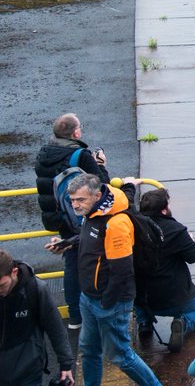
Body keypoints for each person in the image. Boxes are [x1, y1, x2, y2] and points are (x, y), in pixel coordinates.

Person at [69, 174, 161, 386]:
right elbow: (92, 242)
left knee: (121, 356)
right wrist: (68, 243)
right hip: (90, 298)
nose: (75, 205)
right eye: (72, 200)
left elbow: (122, 271)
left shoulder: (116, 223)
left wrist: (107, 303)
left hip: (109, 303)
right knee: (89, 349)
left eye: (80, 200)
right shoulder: (93, 211)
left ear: (97, 195)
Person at [34, 112, 110, 329]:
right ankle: (96, 311)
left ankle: (74, 316)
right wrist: (101, 164)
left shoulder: (44, 153)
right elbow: (102, 183)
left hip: (58, 217)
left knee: (71, 263)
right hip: (81, 216)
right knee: (93, 261)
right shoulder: (80, 155)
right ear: (75, 132)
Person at [135, 188, 195, 353]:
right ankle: (183, 323)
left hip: (143, 299)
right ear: (164, 210)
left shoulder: (132, 228)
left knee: (139, 292)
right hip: (175, 298)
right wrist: (189, 239)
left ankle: (144, 323)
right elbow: (194, 256)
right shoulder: (175, 230)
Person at [0, 247, 75, 386]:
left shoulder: (35, 290)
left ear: (14, 272)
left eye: (1, 285)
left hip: (28, 373)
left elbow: (55, 328)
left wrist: (66, 364)